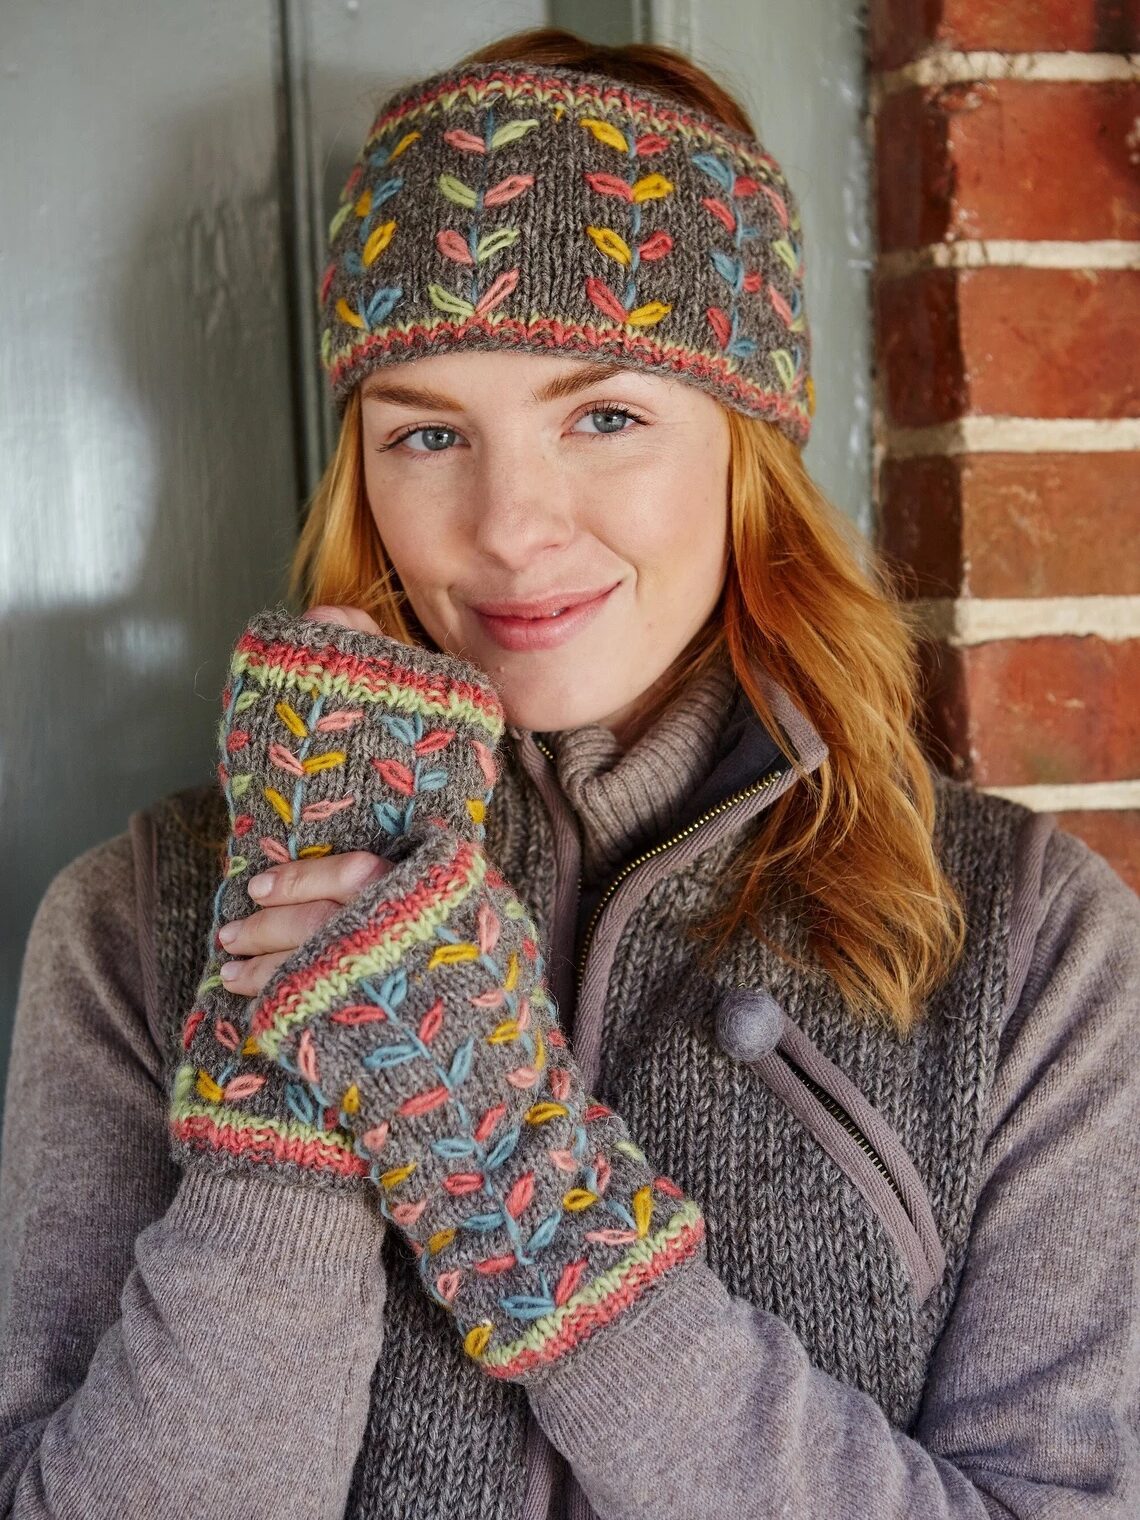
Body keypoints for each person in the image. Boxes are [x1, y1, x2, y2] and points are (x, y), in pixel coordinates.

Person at [2, 25, 1138, 1520]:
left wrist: (526, 1200)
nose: (509, 526)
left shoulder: (1027, 940)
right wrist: (288, 1114)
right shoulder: (139, 919)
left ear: (745, 449)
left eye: (605, 416)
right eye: (427, 433)